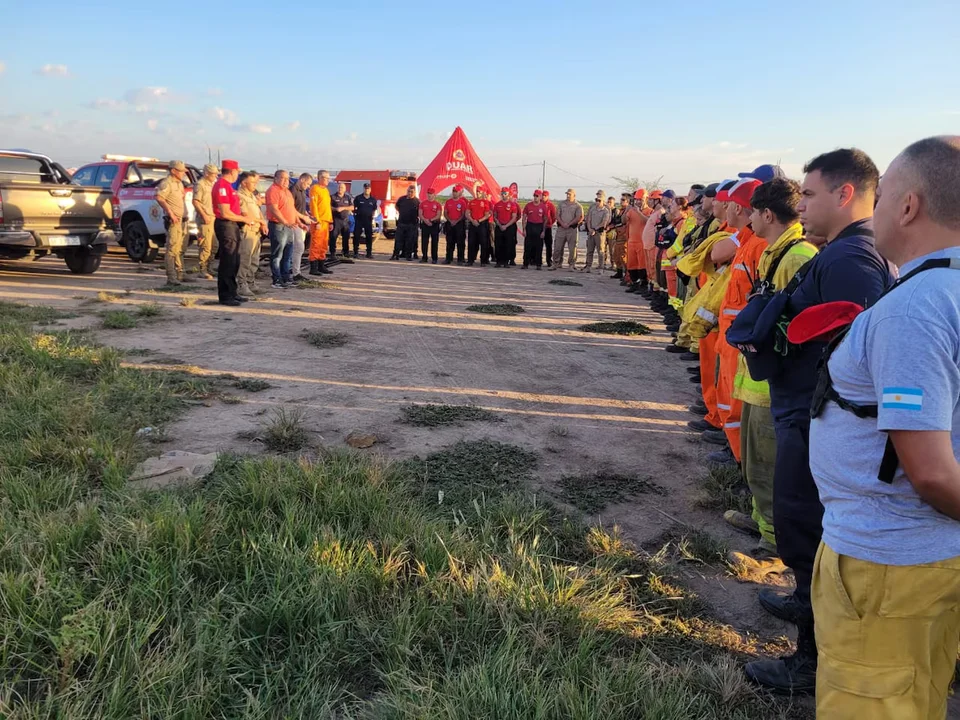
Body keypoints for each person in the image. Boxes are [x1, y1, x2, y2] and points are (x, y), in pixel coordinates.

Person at [806, 136, 960, 718]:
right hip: (928, 560)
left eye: (883, 197)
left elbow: (930, 473)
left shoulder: (918, 307)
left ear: (908, 206)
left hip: (890, 564)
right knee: (918, 697)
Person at [744, 149, 894, 693]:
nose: (799, 204)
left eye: (808, 194)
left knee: (808, 528)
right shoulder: (842, 252)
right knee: (800, 526)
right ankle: (804, 607)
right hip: (806, 413)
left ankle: (810, 661)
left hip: (816, 419)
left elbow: (854, 355)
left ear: (845, 193)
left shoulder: (852, 260)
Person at [724, 179, 818, 556]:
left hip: (773, 386)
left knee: (770, 465)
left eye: (752, 214)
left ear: (766, 214)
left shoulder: (797, 257)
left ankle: (775, 542)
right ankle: (761, 518)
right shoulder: (774, 251)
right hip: (758, 379)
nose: (748, 221)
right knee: (755, 462)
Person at [212, 159, 254, 306]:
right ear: (232, 171)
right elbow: (224, 212)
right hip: (226, 225)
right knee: (228, 260)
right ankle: (225, 295)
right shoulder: (222, 186)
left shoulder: (228, 186)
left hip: (233, 225)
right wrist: (243, 218)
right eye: (237, 171)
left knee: (234, 260)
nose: (238, 174)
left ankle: (232, 292)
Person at [156, 160, 189, 285]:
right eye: (181, 171)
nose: (183, 174)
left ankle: (180, 273)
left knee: (179, 248)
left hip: (181, 220)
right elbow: (159, 197)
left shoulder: (179, 184)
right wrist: (170, 213)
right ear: (173, 171)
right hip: (173, 220)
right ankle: (171, 277)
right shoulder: (167, 183)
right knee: (172, 249)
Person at [236, 171, 268, 297]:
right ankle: (241, 284)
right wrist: (260, 221)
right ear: (244, 183)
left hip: (256, 230)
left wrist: (263, 223)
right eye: (253, 182)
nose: (255, 184)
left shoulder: (251, 196)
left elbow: (258, 210)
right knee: (245, 259)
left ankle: (251, 282)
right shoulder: (240, 196)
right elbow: (244, 214)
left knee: (254, 260)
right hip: (247, 230)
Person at [264, 169, 298, 289]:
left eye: (287, 178)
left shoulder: (287, 192)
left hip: (289, 226)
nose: (286, 181)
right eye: (283, 178)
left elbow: (291, 209)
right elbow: (274, 209)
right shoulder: (273, 190)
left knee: (287, 254)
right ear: (276, 178)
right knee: (277, 254)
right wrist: (285, 221)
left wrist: (299, 220)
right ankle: (276, 279)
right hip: (279, 225)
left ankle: (286, 277)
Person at [192, 163, 218, 279]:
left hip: (214, 216)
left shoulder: (213, 184)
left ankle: (210, 267)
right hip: (205, 217)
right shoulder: (200, 184)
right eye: (213, 174)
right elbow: (196, 201)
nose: (215, 176)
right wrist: (203, 215)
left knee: (215, 245)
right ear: (207, 173)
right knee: (206, 245)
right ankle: (202, 269)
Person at [624, 189, 653, 291]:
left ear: (645, 199)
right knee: (632, 264)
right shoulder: (631, 211)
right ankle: (634, 283)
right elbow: (624, 220)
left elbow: (647, 221)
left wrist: (638, 212)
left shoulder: (650, 211)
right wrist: (627, 210)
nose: (638, 202)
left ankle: (643, 284)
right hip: (632, 242)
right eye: (636, 199)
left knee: (642, 265)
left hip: (642, 243)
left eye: (640, 199)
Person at [308, 170, 333, 275]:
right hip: (319, 221)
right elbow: (313, 206)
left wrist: (331, 221)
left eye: (328, 178)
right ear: (320, 178)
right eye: (326, 178)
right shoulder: (315, 189)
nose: (328, 180)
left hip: (326, 221)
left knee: (324, 244)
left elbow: (328, 207)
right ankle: (313, 267)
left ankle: (321, 265)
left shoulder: (326, 190)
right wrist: (316, 221)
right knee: (316, 243)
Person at [552, 189, 583, 270]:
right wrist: (562, 223)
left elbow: (579, 217)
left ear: (574, 195)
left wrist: (569, 224)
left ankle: (571, 264)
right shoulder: (561, 204)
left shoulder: (578, 206)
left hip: (571, 229)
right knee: (557, 247)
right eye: (567, 194)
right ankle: (556, 263)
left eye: (570, 194)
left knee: (572, 248)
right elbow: (557, 215)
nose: (568, 195)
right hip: (561, 228)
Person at [289, 173, 313, 279]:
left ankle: (295, 270)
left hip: (301, 222)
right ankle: (295, 272)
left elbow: (300, 207)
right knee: (298, 247)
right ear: (302, 179)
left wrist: (307, 215)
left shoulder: (302, 191)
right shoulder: (293, 190)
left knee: (299, 248)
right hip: (294, 222)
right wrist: (303, 217)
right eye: (307, 184)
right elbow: (291, 209)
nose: (308, 187)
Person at [493, 187, 520, 268]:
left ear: (508, 195)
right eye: (502, 193)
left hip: (509, 226)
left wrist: (506, 226)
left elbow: (514, 217)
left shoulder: (512, 205)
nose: (503, 195)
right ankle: (498, 261)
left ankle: (506, 261)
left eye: (505, 193)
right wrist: (499, 225)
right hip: (499, 226)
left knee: (508, 244)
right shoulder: (497, 205)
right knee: (498, 244)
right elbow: (495, 216)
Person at [584, 190, 611, 272]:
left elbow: (605, 221)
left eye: (599, 200)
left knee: (601, 251)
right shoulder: (592, 208)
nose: (597, 201)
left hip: (600, 233)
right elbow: (588, 219)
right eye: (596, 199)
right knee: (589, 250)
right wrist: (590, 229)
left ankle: (601, 267)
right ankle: (588, 266)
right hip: (591, 232)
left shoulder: (606, 209)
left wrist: (595, 229)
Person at [466, 187, 493, 266]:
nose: (478, 193)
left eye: (480, 192)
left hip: (482, 224)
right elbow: (467, 213)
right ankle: (470, 260)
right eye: (477, 192)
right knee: (471, 242)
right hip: (473, 223)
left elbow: (487, 214)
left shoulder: (485, 202)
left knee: (483, 243)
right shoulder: (471, 202)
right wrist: (472, 220)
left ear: (482, 193)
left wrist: (479, 221)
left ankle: (483, 261)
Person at [521, 190, 547, 269]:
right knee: (527, 246)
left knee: (539, 246)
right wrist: (524, 229)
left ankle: (538, 264)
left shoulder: (543, 206)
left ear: (540, 197)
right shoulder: (528, 205)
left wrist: (543, 231)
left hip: (539, 226)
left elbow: (545, 219)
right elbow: (524, 218)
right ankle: (525, 263)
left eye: (537, 196)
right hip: (530, 225)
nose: (535, 197)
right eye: (534, 196)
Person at [393, 185, 419, 260]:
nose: (410, 193)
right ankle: (396, 254)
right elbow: (397, 206)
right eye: (408, 191)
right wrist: (401, 212)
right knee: (398, 240)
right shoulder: (402, 199)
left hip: (412, 224)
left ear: (414, 192)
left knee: (410, 240)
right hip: (401, 223)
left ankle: (408, 255)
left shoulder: (417, 201)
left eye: (411, 192)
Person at [443, 185, 468, 264]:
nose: (454, 193)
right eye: (453, 192)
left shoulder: (462, 202)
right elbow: (445, 213)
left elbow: (463, 214)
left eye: (456, 192)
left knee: (460, 242)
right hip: (450, 224)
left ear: (459, 193)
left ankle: (460, 259)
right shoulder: (448, 202)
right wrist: (450, 220)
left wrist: (456, 221)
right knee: (450, 242)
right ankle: (448, 258)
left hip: (459, 224)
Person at [353, 183, 378, 258]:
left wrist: (373, 217)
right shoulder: (358, 198)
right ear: (363, 189)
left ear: (370, 189)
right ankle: (355, 252)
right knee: (357, 236)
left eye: (368, 188)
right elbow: (354, 208)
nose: (366, 190)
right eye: (365, 188)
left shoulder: (373, 200)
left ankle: (369, 253)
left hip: (368, 220)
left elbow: (374, 209)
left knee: (369, 236)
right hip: (359, 219)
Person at [418, 187, 442, 263]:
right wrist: (425, 220)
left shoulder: (437, 204)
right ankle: (424, 257)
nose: (429, 195)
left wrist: (431, 220)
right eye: (428, 193)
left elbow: (438, 215)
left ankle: (434, 258)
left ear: (434, 195)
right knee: (424, 241)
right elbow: (420, 214)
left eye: (431, 194)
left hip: (434, 224)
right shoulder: (423, 203)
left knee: (434, 242)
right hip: (425, 224)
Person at [330, 181, 354, 258]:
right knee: (333, 236)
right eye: (339, 187)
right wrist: (335, 209)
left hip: (345, 220)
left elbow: (352, 207)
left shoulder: (348, 197)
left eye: (342, 187)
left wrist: (344, 208)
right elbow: (328, 207)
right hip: (336, 220)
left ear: (345, 189)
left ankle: (345, 252)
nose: (340, 189)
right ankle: (332, 253)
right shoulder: (332, 197)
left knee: (346, 237)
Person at [542, 190, 556, 267]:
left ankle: (549, 260)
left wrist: (550, 223)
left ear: (548, 196)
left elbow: (554, 216)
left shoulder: (550, 205)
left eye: (545, 196)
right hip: (539, 226)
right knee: (537, 244)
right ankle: (535, 259)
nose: (543, 197)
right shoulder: (539, 204)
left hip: (547, 227)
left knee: (548, 244)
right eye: (542, 195)